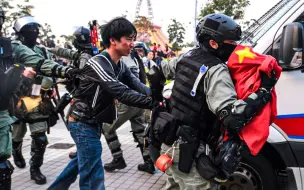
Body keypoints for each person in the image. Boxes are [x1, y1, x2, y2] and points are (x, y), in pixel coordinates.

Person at [148, 13, 277, 189]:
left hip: (168, 141)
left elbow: (155, 73)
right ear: (214, 43)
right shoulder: (216, 70)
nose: (235, 47)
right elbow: (233, 118)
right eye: (231, 43)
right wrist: (262, 92)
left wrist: (159, 102)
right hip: (191, 152)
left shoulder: (186, 57)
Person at [48, 17, 158, 190]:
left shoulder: (120, 65)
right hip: (81, 123)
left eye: (133, 39)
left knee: (80, 164)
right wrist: (153, 104)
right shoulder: (98, 63)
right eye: (128, 39)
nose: (132, 44)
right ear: (113, 40)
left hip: (93, 123)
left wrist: (162, 97)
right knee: (93, 177)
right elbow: (121, 92)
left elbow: (138, 86)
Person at [10, 15, 77, 185]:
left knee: (40, 138)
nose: (35, 33)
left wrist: (52, 89)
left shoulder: (42, 50)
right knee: (17, 134)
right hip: (16, 99)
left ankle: (35, 168)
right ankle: (16, 149)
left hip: (38, 98)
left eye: (36, 30)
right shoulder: (13, 47)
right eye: (31, 30)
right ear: (21, 33)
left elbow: (48, 69)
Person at [102, 49, 155, 174]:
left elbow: (129, 77)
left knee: (106, 128)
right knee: (140, 130)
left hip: (128, 100)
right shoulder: (135, 56)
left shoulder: (122, 56)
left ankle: (117, 158)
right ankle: (149, 162)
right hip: (138, 100)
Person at [48, 26, 95, 159]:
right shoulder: (86, 52)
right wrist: (49, 49)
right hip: (85, 96)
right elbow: (67, 53)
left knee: (74, 121)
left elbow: (82, 76)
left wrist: (70, 78)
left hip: (84, 97)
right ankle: (82, 147)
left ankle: (82, 148)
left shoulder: (85, 56)